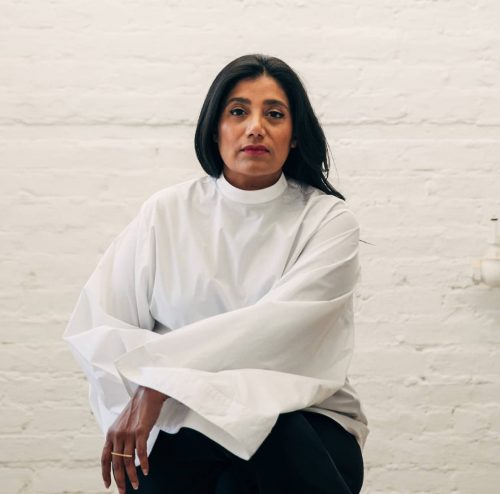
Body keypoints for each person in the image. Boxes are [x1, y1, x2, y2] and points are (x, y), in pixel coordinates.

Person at [63, 54, 369, 494]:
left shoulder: (327, 220)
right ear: (215, 127)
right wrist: (162, 389)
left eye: (275, 114)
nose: (255, 127)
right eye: (238, 111)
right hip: (183, 425)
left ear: (296, 135)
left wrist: (160, 383)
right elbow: (99, 324)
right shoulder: (166, 212)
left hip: (305, 424)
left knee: (271, 433)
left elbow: (275, 334)